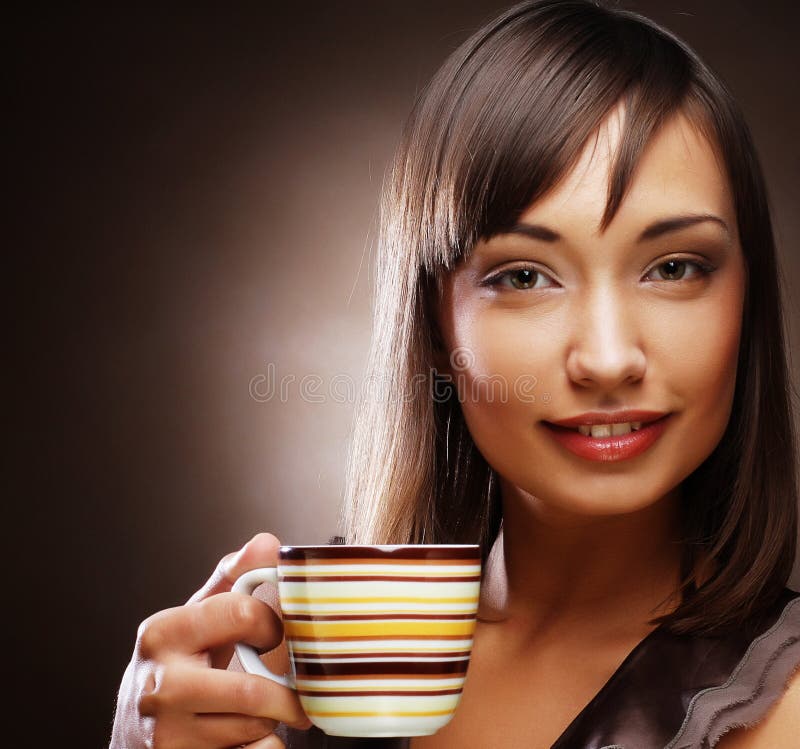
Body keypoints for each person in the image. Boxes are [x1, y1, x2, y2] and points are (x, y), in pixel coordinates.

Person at [109, 1, 800, 747]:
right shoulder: (279, 665)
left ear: (748, 296)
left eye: (673, 268)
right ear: (435, 325)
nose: (607, 359)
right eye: (525, 276)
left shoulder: (781, 708)